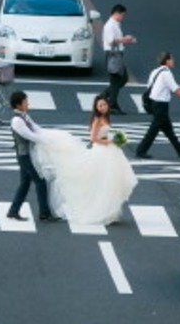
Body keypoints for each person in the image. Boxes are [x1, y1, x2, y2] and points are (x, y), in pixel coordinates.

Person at [33, 94, 139, 226]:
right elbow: (93, 138)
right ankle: (100, 211)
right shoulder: (97, 119)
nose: (102, 107)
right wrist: (110, 141)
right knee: (104, 182)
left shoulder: (105, 118)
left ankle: (109, 212)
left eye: (104, 105)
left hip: (109, 152)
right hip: (101, 152)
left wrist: (113, 140)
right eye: (100, 105)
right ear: (96, 107)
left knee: (110, 181)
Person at [5, 90, 63, 223]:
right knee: (40, 181)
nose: (28, 103)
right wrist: (46, 141)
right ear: (18, 105)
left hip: (28, 154)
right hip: (25, 155)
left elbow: (36, 129)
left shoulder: (25, 116)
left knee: (25, 183)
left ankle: (13, 211)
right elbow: (29, 135)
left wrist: (50, 135)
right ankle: (44, 213)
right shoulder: (16, 120)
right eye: (25, 101)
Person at [135, 51, 180, 159]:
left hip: (153, 102)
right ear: (166, 61)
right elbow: (175, 90)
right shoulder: (167, 74)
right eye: (171, 59)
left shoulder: (155, 71)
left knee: (167, 128)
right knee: (154, 129)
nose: (173, 61)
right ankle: (141, 150)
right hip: (161, 104)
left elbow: (149, 86)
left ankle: (179, 148)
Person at [102, 4, 136, 114]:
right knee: (117, 79)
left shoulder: (115, 24)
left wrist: (126, 40)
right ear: (117, 13)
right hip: (113, 54)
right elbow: (111, 41)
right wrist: (125, 39)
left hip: (117, 54)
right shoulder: (110, 25)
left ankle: (106, 98)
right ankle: (111, 104)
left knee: (121, 79)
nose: (123, 17)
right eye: (122, 15)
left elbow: (116, 40)